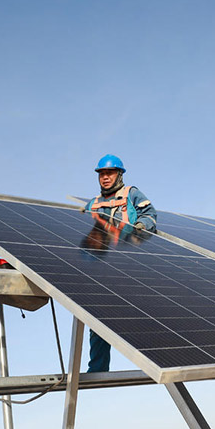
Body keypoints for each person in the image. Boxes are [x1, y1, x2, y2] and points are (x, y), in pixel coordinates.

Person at [82, 154, 157, 372]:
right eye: (102, 174)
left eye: (109, 173)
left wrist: (141, 227)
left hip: (130, 262)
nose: (105, 178)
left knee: (138, 315)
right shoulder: (93, 204)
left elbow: (150, 214)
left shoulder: (131, 193)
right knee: (97, 319)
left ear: (119, 174)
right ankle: (97, 370)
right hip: (103, 266)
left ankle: (159, 360)